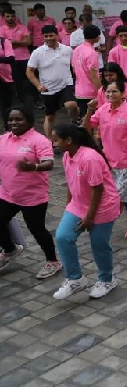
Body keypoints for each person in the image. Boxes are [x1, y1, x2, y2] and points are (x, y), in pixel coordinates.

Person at [51, 124, 122, 301]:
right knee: (63, 237)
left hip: (102, 207)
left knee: (99, 244)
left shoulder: (89, 159)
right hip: (78, 205)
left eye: (56, 140)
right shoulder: (67, 156)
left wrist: (89, 218)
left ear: (68, 140)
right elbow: (70, 181)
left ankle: (107, 279)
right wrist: (69, 205)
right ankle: (75, 279)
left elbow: (98, 189)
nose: (54, 144)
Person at [0, 106, 61, 278]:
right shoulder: (4, 139)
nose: (14, 123)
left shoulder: (38, 140)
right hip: (8, 194)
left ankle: (53, 261)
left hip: (32, 197)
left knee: (37, 229)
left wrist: (33, 166)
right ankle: (10, 250)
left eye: (18, 119)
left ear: (28, 121)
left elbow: (49, 163)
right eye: (11, 119)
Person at [83, 82, 127, 239]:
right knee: (123, 194)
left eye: (114, 91)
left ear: (123, 94)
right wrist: (89, 110)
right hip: (109, 161)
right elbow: (86, 126)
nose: (110, 94)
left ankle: (107, 221)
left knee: (117, 195)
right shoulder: (103, 110)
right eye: (107, 92)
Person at [27, 25, 77, 139]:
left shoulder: (67, 50)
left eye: (51, 35)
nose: (49, 38)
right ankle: (49, 141)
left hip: (66, 84)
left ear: (57, 35)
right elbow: (29, 71)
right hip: (48, 88)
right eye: (46, 36)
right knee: (50, 117)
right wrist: (38, 85)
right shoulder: (38, 52)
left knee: (72, 105)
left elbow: (74, 66)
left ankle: (74, 121)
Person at [71, 26, 103, 110]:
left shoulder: (76, 50)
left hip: (79, 91)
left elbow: (74, 69)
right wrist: (102, 91)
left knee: (84, 118)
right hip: (91, 92)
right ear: (96, 37)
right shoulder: (92, 53)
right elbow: (94, 76)